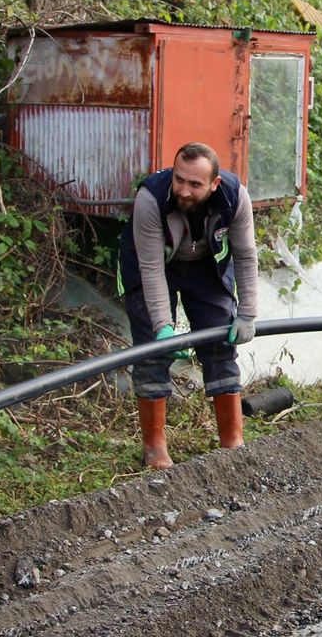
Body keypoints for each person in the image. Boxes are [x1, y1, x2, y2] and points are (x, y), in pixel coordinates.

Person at [118, 142, 259, 469]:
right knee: (153, 351)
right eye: (179, 180)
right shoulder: (151, 198)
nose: (183, 190)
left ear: (214, 184)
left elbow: (246, 254)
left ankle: (232, 439)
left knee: (221, 340)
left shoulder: (234, 197)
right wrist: (163, 327)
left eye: (195, 184)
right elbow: (151, 268)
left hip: (205, 266)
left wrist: (248, 314)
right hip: (151, 265)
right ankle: (154, 448)